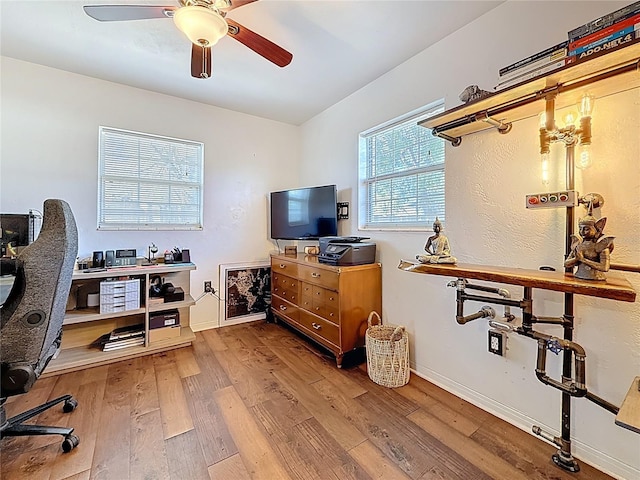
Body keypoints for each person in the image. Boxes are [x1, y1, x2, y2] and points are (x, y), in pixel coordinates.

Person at [564, 212, 614, 281]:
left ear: (597, 230)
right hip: (578, 276)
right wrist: (576, 259)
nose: (582, 231)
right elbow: (566, 264)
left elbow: (604, 267)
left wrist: (583, 260)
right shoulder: (578, 245)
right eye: (580, 229)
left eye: (586, 229)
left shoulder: (601, 246)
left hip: (596, 278)